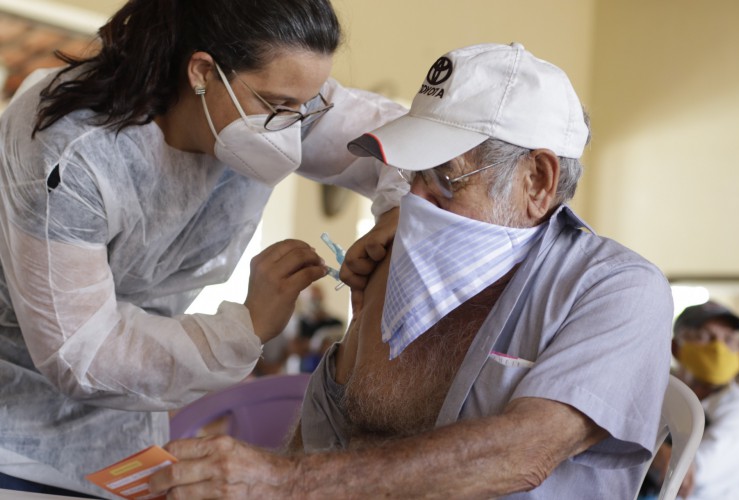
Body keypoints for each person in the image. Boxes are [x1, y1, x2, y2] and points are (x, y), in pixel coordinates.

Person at [149, 43, 674, 499]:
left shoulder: (616, 290)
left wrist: (280, 484)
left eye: (443, 179)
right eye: (411, 175)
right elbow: (331, 427)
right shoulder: (396, 268)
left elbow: (523, 453)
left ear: (537, 180)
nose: (413, 202)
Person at [0, 0, 406, 496]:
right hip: (15, 432)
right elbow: (82, 351)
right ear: (202, 71)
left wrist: (405, 212)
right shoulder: (73, 150)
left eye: (307, 105)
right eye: (277, 106)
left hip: (128, 435)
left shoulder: (286, 91)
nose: (294, 126)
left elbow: (412, 149)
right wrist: (247, 326)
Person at [643, 301, 739, 500]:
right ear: (675, 347)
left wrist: (644, 443)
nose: (718, 348)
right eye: (704, 336)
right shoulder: (655, 393)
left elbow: (683, 476)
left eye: (728, 339)